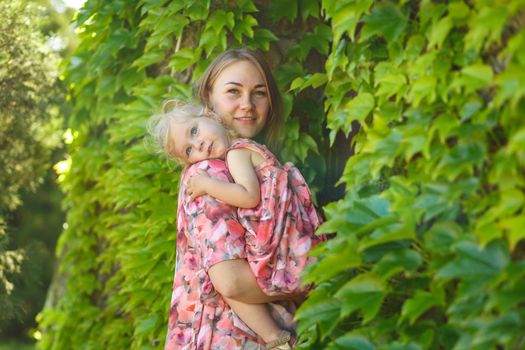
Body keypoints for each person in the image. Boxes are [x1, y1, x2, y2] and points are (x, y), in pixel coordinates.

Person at [150, 48, 315, 350]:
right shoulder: (208, 173)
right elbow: (231, 282)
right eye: (233, 92)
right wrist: (313, 283)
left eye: (259, 93)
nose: (247, 105)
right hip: (226, 337)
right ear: (209, 104)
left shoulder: (240, 160)